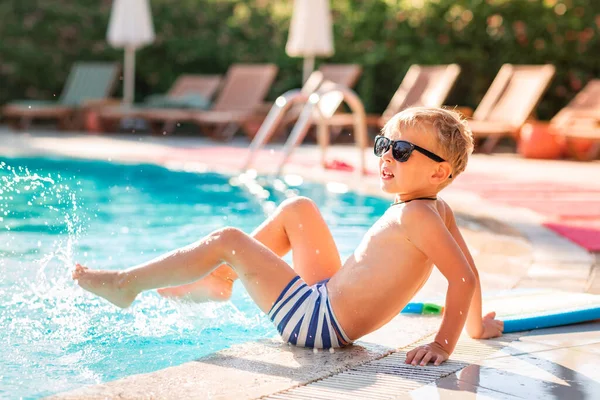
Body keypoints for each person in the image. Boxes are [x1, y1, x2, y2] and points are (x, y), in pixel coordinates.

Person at [73, 107, 504, 366]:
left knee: (229, 238)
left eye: (402, 151)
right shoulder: (434, 211)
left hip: (318, 324)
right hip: (324, 301)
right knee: (299, 208)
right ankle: (220, 281)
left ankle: (126, 285)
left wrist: (443, 344)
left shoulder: (420, 217)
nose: (387, 156)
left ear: (439, 171)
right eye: (383, 144)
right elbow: (471, 273)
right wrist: (477, 329)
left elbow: (462, 277)